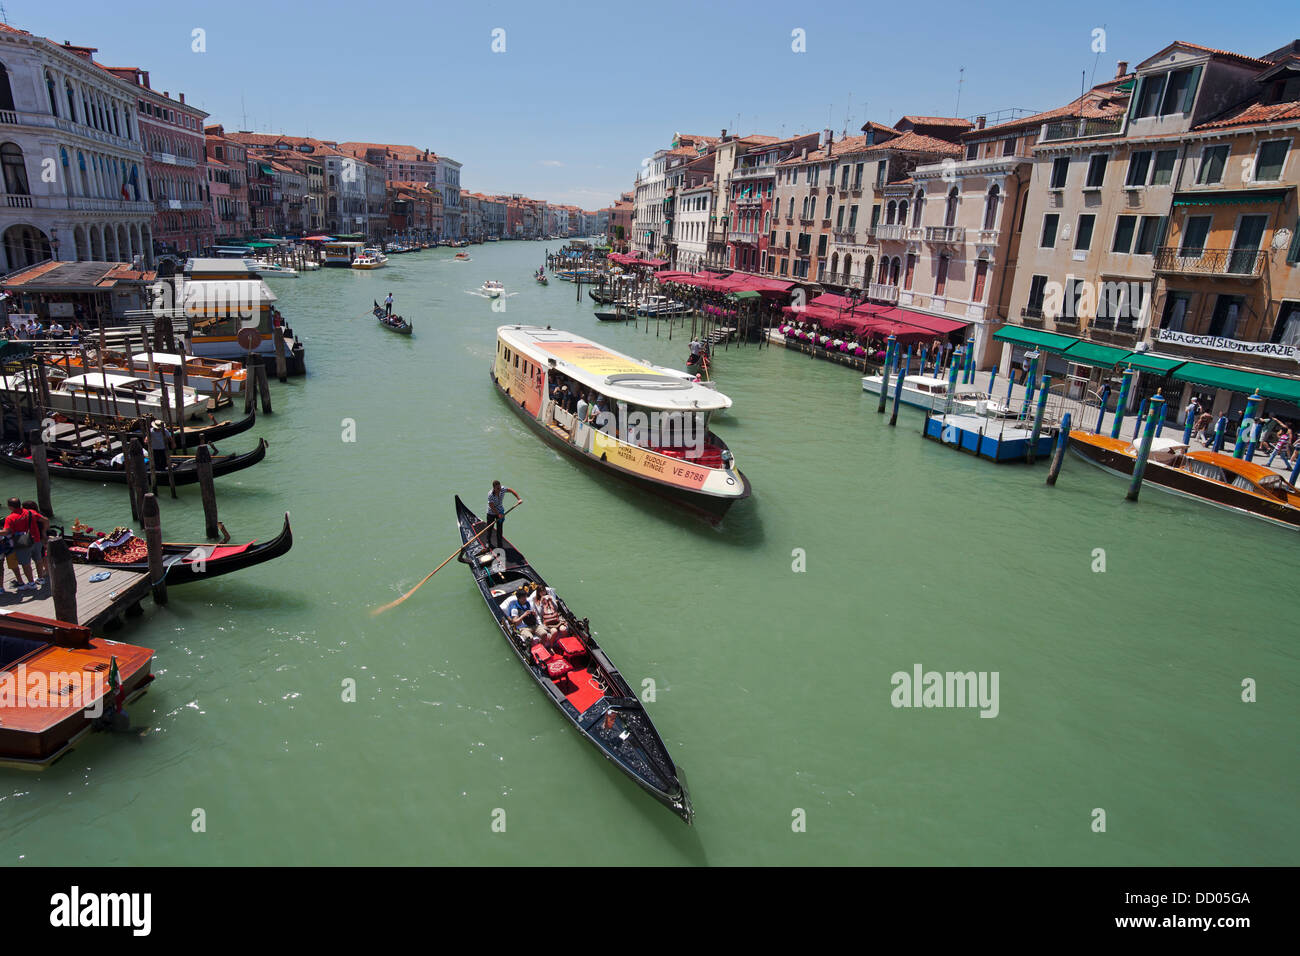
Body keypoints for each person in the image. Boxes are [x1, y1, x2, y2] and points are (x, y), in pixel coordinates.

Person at [3, 497, 39, 591]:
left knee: (25, 564)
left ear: (10, 507)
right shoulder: (29, 512)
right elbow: (45, 520)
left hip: (22, 542)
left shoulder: (10, 518)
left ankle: (31, 583)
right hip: (33, 539)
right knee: (37, 560)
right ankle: (40, 577)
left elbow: (6, 532)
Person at [486, 480, 521, 548]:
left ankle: (500, 545)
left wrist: (518, 498)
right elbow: (491, 506)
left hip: (500, 511)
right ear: (494, 488)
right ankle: (488, 543)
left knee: (500, 529)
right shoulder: (490, 495)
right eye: (497, 488)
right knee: (490, 529)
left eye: (500, 488)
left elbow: (511, 490)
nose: (499, 490)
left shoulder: (502, 489)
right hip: (491, 513)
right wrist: (498, 514)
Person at [21, 500, 49, 581]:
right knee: (42, 554)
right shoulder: (40, 513)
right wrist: (44, 533)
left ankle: (46, 570)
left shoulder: (30, 514)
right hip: (40, 535)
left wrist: (43, 534)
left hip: (37, 537)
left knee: (41, 555)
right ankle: (47, 569)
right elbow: (46, 521)